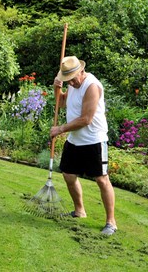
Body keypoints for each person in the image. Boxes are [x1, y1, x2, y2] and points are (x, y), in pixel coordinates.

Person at [50, 56, 117, 235]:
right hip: (75, 140)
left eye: (72, 78)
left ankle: (111, 222)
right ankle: (79, 211)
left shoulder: (91, 86)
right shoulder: (72, 84)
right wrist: (57, 88)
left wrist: (60, 129)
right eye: (67, 79)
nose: (71, 82)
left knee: (102, 179)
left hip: (94, 139)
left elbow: (86, 119)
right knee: (68, 175)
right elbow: (62, 103)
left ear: (81, 71)